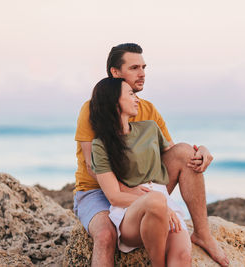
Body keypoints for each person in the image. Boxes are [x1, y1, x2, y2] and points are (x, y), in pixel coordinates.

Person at [74, 43, 229, 266]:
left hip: (144, 186)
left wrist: (200, 151)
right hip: (97, 190)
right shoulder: (92, 109)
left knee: (187, 154)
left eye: (144, 67)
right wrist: (133, 193)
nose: (142, 74)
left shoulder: (148, 110)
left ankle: (202, 234)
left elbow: (173, 153)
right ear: (115, 73)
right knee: (105, 235)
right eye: (134, 68)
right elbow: (92, 166)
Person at [89, 77, 192, 266]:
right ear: (114, 102)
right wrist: (156, 204)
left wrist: (199, 151)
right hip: (130, 214)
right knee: (156, 199)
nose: (137, 99)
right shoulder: (101, 144)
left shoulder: (150, 128)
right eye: (130, 94)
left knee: (183, 256)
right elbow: (114, 197)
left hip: (161, 202)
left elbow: (176, 154)